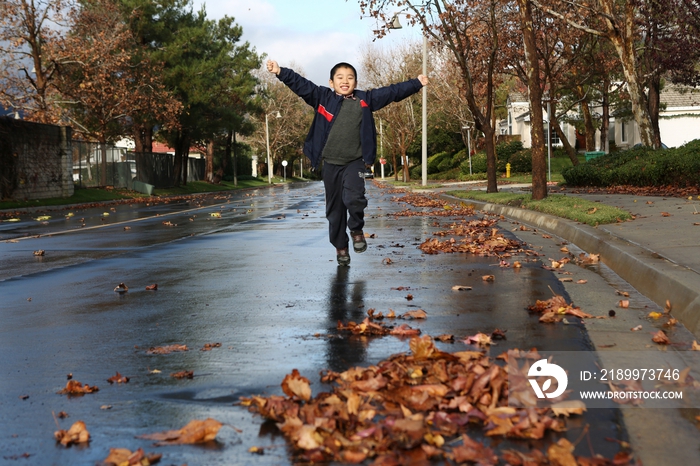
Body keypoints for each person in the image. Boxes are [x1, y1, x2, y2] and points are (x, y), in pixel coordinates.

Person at [267, 59, 428, 266]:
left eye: (350, 77)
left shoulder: (365, 100)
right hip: (331, 164)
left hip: (355, 162)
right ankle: (341, 247)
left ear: (356, 82)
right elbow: (301, 85)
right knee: (334, 211)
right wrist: (280, 72)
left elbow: (391, 92)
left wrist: (416, 83)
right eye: (340, 78)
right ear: (331, 82)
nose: (345, 81)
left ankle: (357, 229)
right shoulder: (323, 97)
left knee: (355, 198)